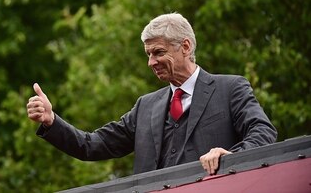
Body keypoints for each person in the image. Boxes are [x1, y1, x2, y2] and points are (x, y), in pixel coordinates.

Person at [26, 13, 277, 175]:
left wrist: (230, 157)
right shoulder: (145, 107)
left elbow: (264, 132)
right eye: (148, 54)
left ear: (185, 47)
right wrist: (51, 121)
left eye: (158, 52)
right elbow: (92, 145)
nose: (151, 62)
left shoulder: (230, 88)